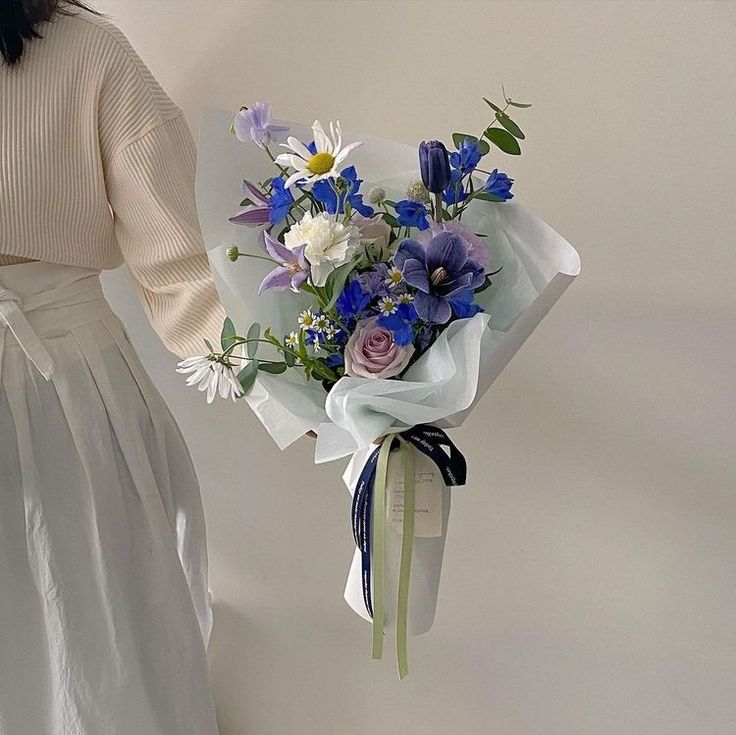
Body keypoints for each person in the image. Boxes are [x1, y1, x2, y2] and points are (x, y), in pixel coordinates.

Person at [0, 2, 223, 732]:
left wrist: (321, 395)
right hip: (65, 376)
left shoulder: (86, 51)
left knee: (97, 655)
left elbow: (183, 269)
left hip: (63, 393)